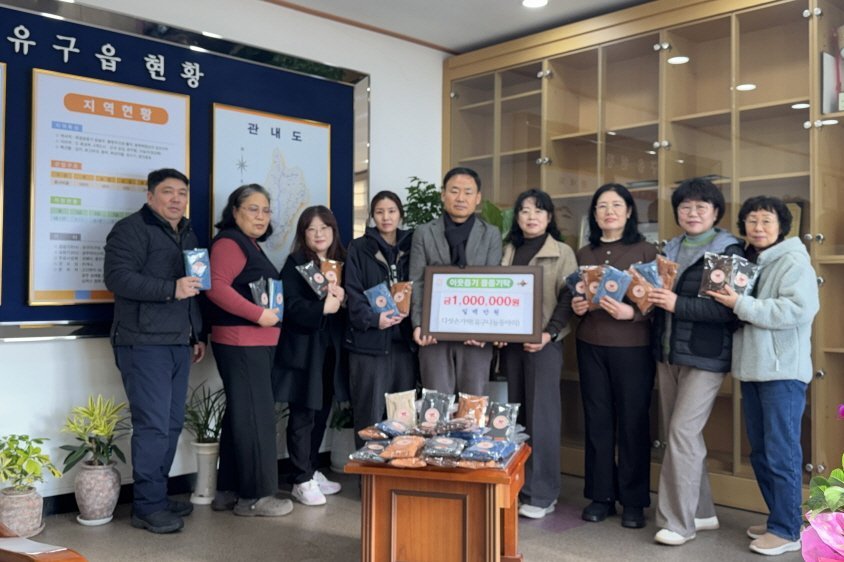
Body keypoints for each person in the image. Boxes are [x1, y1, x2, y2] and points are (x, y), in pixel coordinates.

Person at [708, 196, 819, 557]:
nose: (758, 228)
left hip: (782, 372)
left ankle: (788, 530)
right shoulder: (751, 260)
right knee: (761, 452)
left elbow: (798, 309)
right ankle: (780, 518)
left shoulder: (793, 260)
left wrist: (740, 304)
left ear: (782, 226)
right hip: (755, 370)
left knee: (782, 452)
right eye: (752, 221)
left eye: (767, 221)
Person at [103, 168, 206, 534]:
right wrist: (169, 289)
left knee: (172, 424)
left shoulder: (188, 232)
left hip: (177, 342)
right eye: (168, 192)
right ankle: (146, 506)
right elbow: (117, 278)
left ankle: (157, 496)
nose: (176, 199)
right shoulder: (130, 229)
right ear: (150, 196)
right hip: (143, 342)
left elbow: (193, 289)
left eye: (182, 193)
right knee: (153, 426)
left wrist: (196, 334)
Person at [646, 179, 743, 546]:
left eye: (701, 206)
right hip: (667, 351)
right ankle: (702, 512)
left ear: (716, 212)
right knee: (682, 435)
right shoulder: (670, 248)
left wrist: (675, 304)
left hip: (705, 355)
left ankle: (678, 522)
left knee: (682, 433)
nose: (692, 213)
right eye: (685, 206)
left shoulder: (727, 250)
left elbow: (726, 311)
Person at [569, 183, 656, 529]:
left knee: (633, 423)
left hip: (633, 347)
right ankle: (600, 495)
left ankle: (633, 500)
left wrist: (632, 314)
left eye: (616, 205)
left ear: (629, 211)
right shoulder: (583, 252)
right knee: (597, 420)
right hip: (590, 344)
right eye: (602, 206)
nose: (609, 212)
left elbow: (657, 303)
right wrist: (577, 306)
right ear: (594, 214)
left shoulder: (646, 251)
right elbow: (576, 295)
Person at [205, 184, 292, 517]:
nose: (261, 216)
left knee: (241, 416)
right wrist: (258, 314)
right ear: (235, 211)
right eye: (253, 209)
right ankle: (257, 496)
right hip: (242, 343)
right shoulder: (230, 242)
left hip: (253, 344)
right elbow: (215, 287)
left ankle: (229, 491)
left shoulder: (249, 244)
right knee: (256, 417)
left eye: (266, 210)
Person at [499, 189, 577, 520]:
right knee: (516, 418)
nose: (531, 217)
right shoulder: (507, 249)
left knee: (542, 418)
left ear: (549, 217)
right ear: (517, 216)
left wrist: (549, 334)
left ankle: (543, 494)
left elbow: (569, 297)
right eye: (525, 210)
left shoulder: (561, 252)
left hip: (544, 345)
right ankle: (520, 485)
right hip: (511, 347)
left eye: (539, 211)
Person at [273, 206, 348, 507]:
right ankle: (300, 479)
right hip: (303, 351)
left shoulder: (340, 263)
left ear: (333, 231)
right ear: (303, 234)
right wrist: (322, 308)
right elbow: (288, 306)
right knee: (303, 412)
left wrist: (343, 299)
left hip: (330, 351)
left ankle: (311, 469)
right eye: (311, 229)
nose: (319, 234)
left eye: (324, 228)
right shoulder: (295, 264)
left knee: (322, 411)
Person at [409, 167, 503, 395]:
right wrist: (419, 324)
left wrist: (487, 332)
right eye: (454, 191)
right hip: (434, 335)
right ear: (443, 194)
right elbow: (417, 281)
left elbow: (493, 283)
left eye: (468, 192)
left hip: (476, 337)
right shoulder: (424, 232)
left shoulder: (491, 234)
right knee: (436, 403)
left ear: (478, 198)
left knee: (473, 403)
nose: (460, 198)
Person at [344, 191, 417, 446]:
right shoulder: (359, 248)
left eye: (392, 211)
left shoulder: (412, 246)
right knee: (369, 416)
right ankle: (368, 469)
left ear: (400, 214)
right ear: (372, 216)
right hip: (369, 345)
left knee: (403, 416)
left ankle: (400, 467)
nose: (386, 217)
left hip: (404, 345)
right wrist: (374, 319)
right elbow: (352, 292)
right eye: (380, 212)